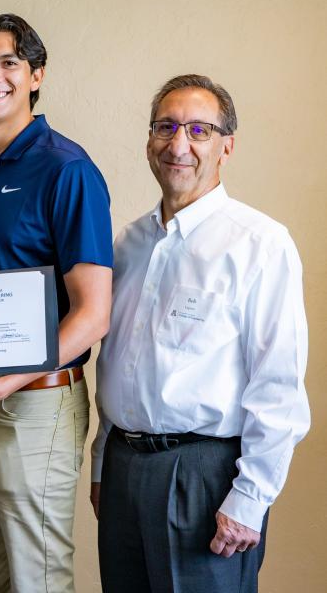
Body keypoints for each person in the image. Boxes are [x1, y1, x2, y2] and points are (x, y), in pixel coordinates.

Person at [91, 74, 310, 593]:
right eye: (165, 127)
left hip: (204, 479)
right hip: (123, 469)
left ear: (226, 146)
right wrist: (102, 464)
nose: (178, 144)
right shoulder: (128, 243)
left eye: (198, 130)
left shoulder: (260, 244)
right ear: (149, 142)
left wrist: (250, 500)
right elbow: (114, 360)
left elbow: (277, 385)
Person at [0, 13, 114, 593]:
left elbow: (93, 313)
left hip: (32, 405)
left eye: (9, 62)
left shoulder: (67, 169)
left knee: (38, 580)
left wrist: (5, 382)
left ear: (35, 75)